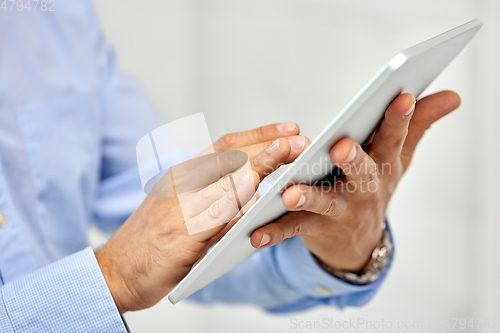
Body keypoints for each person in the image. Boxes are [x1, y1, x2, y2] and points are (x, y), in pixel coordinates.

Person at [0, 2, 461, 332]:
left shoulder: (55, 17)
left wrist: (340, 245)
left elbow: (169, 227)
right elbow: (132, 258)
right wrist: (110, 278)